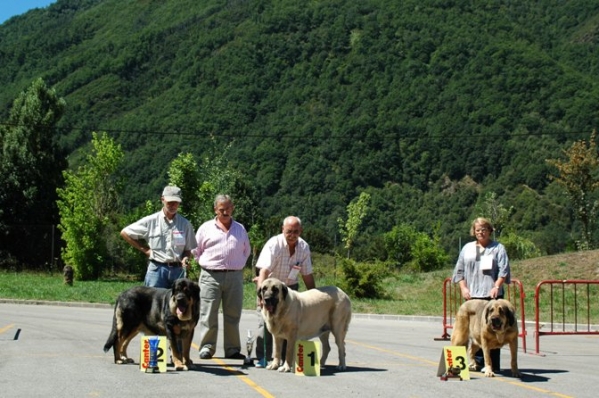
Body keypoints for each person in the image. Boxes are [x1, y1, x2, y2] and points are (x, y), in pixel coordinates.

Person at [194, 194, 251, 360]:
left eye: (228, 208)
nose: (225, 211)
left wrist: (236, 264)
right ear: (215, 210)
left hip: (234, 277)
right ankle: (206, 347)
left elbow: (246, 251)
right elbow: (196, 251)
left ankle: (232, 349)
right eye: (221, 209)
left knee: (233, 315)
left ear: (232, 208)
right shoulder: (205, 228)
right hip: (210, 276)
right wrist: (207, 265)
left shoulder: (240, 229)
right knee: (208, 314)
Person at [451, 217, 511, 372]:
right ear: (473, 232)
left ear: (490, 231)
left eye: (484, 229)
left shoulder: (498, 248)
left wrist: (497, 286)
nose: (480, 232)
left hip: (491, 298)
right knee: (470, 331)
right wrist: (463, 288)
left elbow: (504, 271)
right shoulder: (467, 248)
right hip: (472, 299)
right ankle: (466, 364)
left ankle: (491, 365)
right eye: (477, 230)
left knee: (494, 329)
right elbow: (459, 271)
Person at [254, 216, 315, 364]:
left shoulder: (304, 247)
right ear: (283, 230)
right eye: (289, 231)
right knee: (267, 323)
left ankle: (285, 359)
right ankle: (263, 357)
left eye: (296, 231)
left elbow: (307, 275)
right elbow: (263, 271)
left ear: (300, 231)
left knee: (290, 325)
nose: (292, 234)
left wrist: (314, 295)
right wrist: (261, 297)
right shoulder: (274, 244)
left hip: (290, 291)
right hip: (270, 288)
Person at [121, 185, 196, 288]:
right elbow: (125, 232)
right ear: (162, 200)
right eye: (170, 202)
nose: (173, 205)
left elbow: (188, 249)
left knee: (177, 302)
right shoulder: (150, 221)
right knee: (153, 303)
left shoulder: (186, 224)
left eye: (176, 202)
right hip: (156, 270)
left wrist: (186, 258)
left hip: (178, 271)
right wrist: (145, 250)